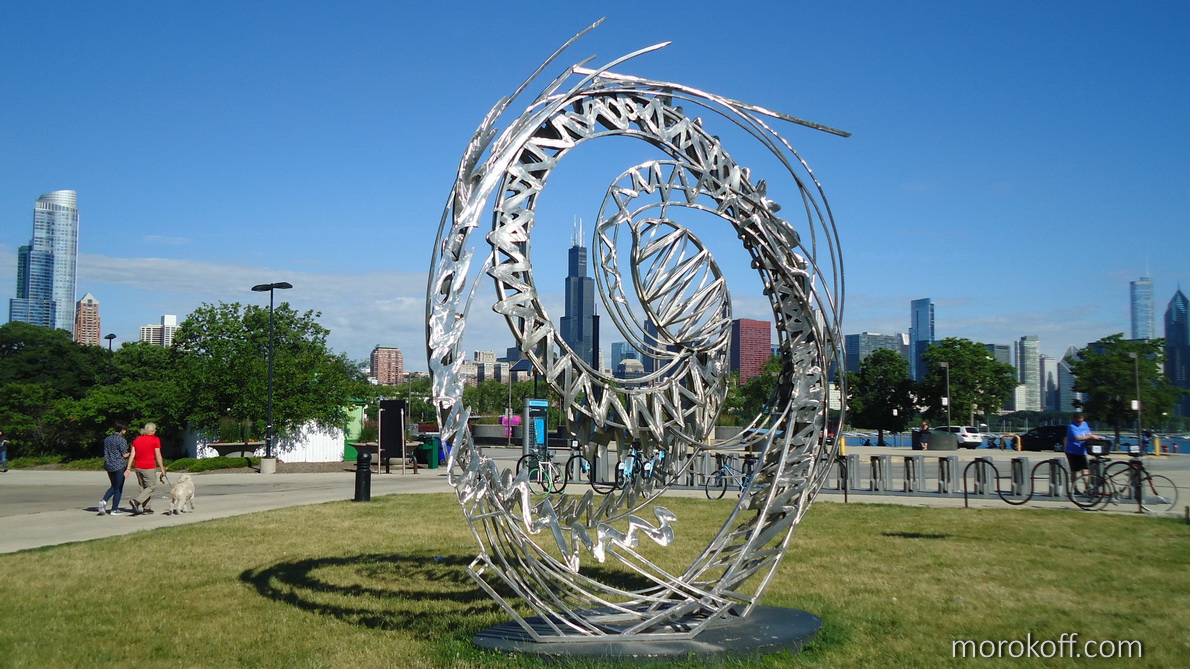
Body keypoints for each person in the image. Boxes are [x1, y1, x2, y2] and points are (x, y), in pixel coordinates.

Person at [127, 423, 167, 515]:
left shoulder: (137, 440)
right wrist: (162, 468)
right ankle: (136, 501)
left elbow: (132, 454)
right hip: (149, 466)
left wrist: (128, 467)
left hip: (138, 466)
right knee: (151, 486)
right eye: (155, 430)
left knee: (143, 487)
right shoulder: (155, 439)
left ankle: (147, 508)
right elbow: (158, 455)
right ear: (152, 431)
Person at [98, 422, 131, 516]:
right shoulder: (121, 440)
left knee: (113, 485)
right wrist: (131, 453)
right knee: (118, 487)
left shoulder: (107, 439)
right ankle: (113, 508)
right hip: (119, 465)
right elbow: (124, 454)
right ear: (122, 430)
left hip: (109, 464)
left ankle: (104, 502)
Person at [1065, 412, 1100, 490]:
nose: (1080, 422)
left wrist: (1093, 436)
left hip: (1082, 451)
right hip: (1072, 451)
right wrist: (1090, 437)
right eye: (1078, 420)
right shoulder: (1072, 426)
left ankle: (1087, 488)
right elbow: (1078, 438)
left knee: (1085, 470)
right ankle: (1075, 489)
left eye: (1081, 420)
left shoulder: (1084, 424)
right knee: (1074, 471)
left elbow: (1088, 433)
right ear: (1074, 419)